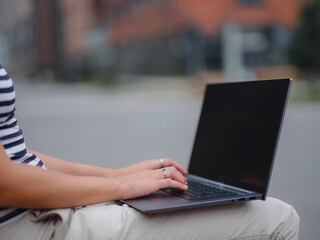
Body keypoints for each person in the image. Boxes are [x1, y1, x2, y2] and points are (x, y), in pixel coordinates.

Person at [0, 64, 299, 240]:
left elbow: (17, 154)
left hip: (40, 210)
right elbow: (5, 183)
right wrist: (123, 187)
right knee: (280, 217)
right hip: (35, 223)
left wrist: (116, 174)